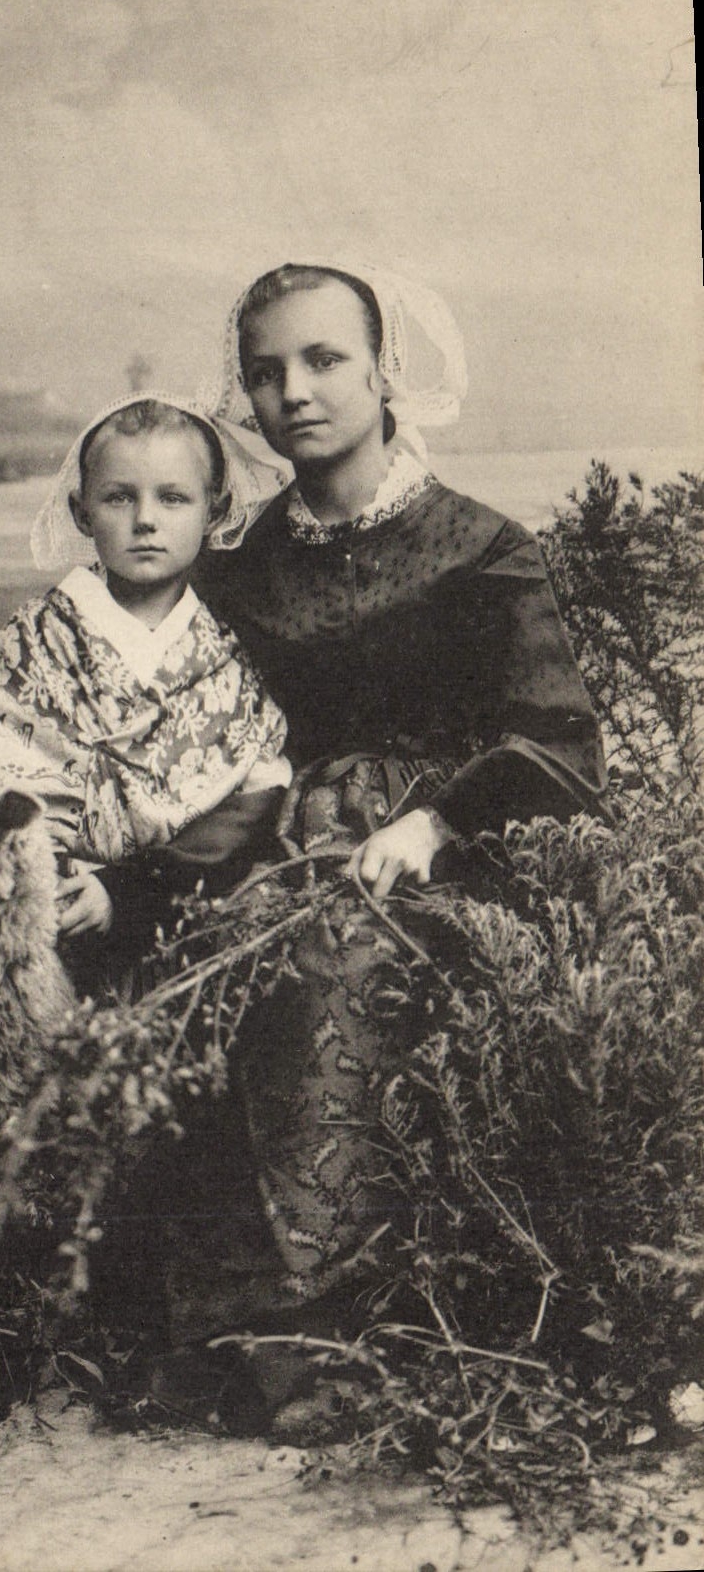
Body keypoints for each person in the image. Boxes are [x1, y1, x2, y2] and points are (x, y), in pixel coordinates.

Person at [141, 257, 610, 1435]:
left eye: (323, 359)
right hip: (280, 840)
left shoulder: (482, 548)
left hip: (455, 854)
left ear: (386, 367)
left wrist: (437, 818)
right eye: (265, 372)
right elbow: (191, 718)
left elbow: (557, 743)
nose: (293, 391)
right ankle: (212, 1331)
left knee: (324, 972)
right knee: (196, 960)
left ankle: (325, 1342)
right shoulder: (241, 569)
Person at [0, 394, 292, 980]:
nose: (146, 520)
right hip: (36, 913)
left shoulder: (225, 661)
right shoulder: (35, 640)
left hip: (171, 918)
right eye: (119, 497)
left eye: (173, 498)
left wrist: (125, 889)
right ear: (81, 511)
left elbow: (251, 800)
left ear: (214, 513)